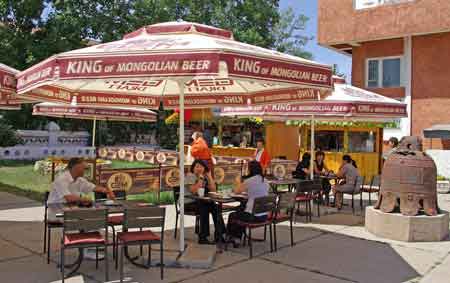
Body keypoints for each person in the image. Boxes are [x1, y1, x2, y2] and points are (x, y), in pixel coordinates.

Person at [226, 161, 269, 246]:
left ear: (250, 170)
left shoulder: (250, 181)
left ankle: (232, 237)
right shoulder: (265, 180)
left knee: (233, 215)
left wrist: (238, 181)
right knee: (240, 210)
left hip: (253, 216)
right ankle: (237, 237)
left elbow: (236, 191)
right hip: (264, 215)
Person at [186, 159, 226, 245]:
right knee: (204, 207)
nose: (199, 168)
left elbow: (214, 190)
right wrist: (200, 178)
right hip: (188, 202)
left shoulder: (205, 176)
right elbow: (194, 191)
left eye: (201, 166)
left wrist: (210, 177)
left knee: (216, 207)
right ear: (193, 168)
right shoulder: (190, 176)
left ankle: (219, 234)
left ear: (205, 168)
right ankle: (203, 237)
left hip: (201, 202)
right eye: (197, 166)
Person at [47, 157, 115, 205]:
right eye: (83, 167)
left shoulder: (79, 180)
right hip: (55, 213)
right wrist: (84, 199)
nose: (85, 170)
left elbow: (94, 188)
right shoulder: (61, 179)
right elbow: (69, 198)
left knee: (94, 215)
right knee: (90, 217)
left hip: (70, 211)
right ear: (76, 167)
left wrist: (107, 191)